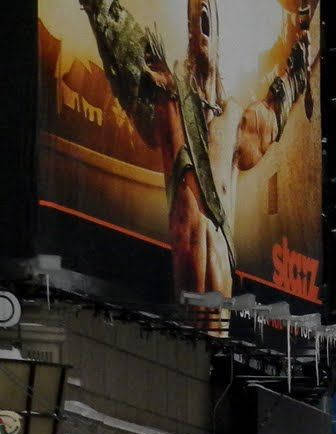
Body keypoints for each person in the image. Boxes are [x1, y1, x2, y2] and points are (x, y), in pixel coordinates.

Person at [77, 0, 316, 301]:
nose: (199, 14)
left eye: (205, 12)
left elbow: (277, 104)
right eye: (193, 18)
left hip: (221, 312)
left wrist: (300, 61)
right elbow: (120, 40)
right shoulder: (169, 106)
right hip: (185, 314)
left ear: (216, 37)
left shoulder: (236, 124)